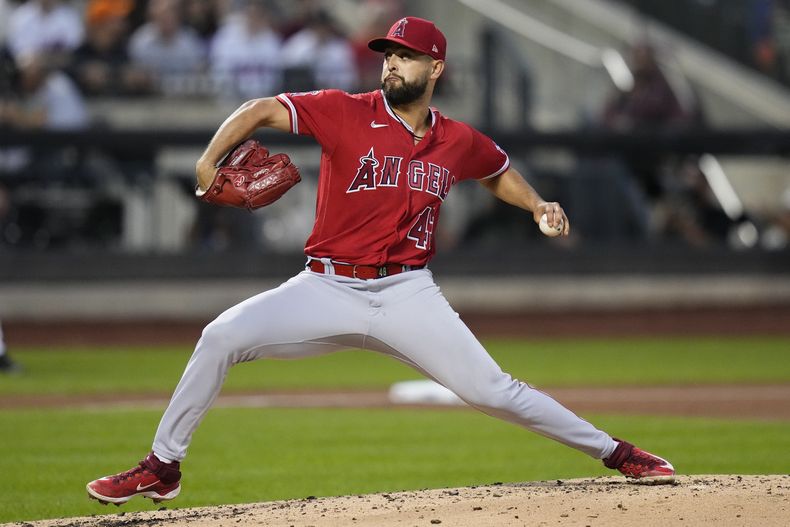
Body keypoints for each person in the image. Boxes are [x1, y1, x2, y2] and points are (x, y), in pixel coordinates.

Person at [86, 17, 675, 506]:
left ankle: (617, 453)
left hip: (407, 295)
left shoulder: (457, 139)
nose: (392, 64)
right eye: (388, 54)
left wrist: (538, 204)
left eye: (407, 57)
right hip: (324, 288)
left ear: (436, 69)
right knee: (220, 337)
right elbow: (262, 108)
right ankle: (163, 466)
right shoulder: (345, 110)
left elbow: (496, 171)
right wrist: (209, 159)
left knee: (493, 391)